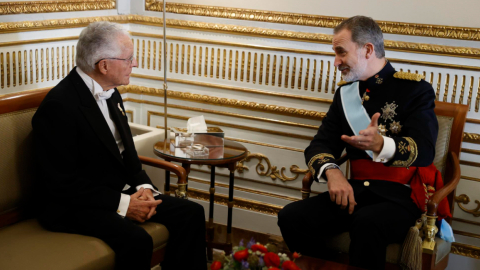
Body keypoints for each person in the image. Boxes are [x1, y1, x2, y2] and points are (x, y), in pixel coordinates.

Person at [32, 21, 207, 270]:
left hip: (116, 191)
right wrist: (124, 204)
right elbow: (62, 184)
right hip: (72, 205)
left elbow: (127, 152)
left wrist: (144, 187)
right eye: (129, 58)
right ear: (104, 65)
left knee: (191, 213)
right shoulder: (58, 107)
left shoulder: (111, 91)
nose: (134, 64)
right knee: (136, 241)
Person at [278, 16, 440, 270]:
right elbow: (319, 145)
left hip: (400, 197)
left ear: (367, 49)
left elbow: (426, 150)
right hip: (354, 191)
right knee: (291, 217)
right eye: (335, 53)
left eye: (341, 52)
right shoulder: (346, 94)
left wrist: (381, 145)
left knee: (367, 222)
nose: (336, 62)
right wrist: (333, 173)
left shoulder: (415, 90)